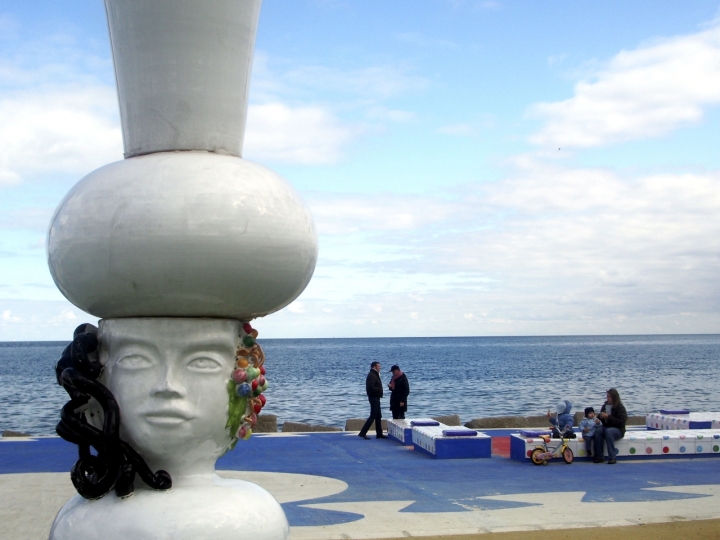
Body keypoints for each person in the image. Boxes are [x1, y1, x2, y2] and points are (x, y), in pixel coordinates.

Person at [593, 388, 627, 464]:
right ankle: (599, 456)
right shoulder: (605, 406)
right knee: (598, 430)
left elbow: (621, 422)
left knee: (609, 432)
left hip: (618, 429)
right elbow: (600, 417)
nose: (608, 398)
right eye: (607, 396)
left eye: (609, 397)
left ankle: (612, 457)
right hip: (606, 427)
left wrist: (608, 417)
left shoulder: (620, 407)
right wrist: (599, 419)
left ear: (614, 398)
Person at [358, 361, 386, 439]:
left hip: (376, 397)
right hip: (374, 397)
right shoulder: (372, 375)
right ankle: (363, 432)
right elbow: (371, 387)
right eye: (378, 366)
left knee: (378, 416)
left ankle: (379, 433)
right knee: (373, 415)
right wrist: (378, 390)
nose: (380, 368)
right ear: (374, 367)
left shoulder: (375, 374)